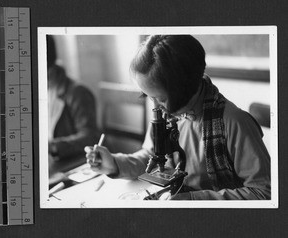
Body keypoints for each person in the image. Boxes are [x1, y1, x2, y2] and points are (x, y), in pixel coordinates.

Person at [85, 35, 271, 200]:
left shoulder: (235, 123)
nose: (155, 107)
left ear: (184, 90)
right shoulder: (167, 115)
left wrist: (192, 200)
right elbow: (151, 157)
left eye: (161, 99)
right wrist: (114, 164)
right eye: (148, 97)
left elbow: (263, 192)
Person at [47, 35, 99, 160]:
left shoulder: (78, 92)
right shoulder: (45, 90)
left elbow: (90, 137)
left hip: (78, 162)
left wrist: (53, 146)